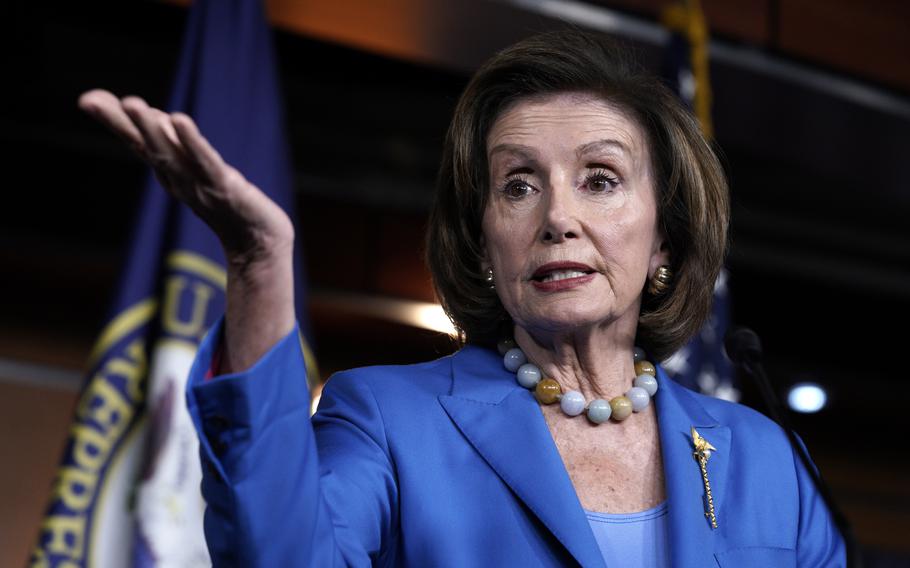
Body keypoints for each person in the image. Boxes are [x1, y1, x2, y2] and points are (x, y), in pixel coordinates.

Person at [80, 31, 845, 567]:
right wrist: (257, 264)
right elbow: (275, 556)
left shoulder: (768, 461)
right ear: (484, 244)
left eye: (600, 179)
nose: (557, 218)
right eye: (518, 185)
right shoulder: (387, 420)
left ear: (666, 241)